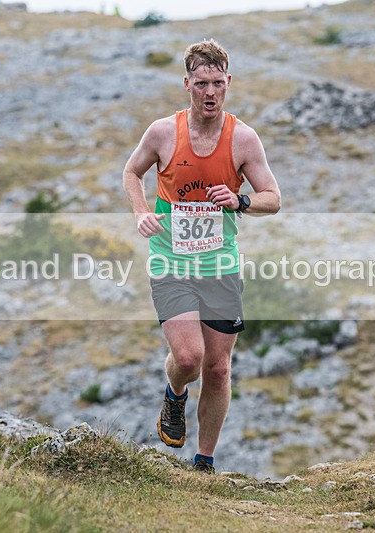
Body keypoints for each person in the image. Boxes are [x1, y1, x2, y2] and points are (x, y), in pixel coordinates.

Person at [122, 39, 281, 473]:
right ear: (187, 84)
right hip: (171, 261)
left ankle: (204, 462)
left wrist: (240, 200)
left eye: (217, 84)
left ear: (228, 83)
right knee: (189, 359)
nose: (210, 93)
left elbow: (274, 198)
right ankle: (174, 393)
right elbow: (131, 172)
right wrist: (141, 212)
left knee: (217, 368)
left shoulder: (243, 139)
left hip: (220, 265)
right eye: (201, 84)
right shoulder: (162, 133)